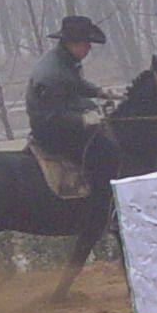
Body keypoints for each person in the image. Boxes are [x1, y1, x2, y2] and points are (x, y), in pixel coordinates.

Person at [25, 15, 122, 220]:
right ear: (72, 43)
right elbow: (52, 117)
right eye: (86, 44)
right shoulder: (53, 73)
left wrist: (99, 92)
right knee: (106, 153)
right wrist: (84, 120)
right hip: (52, 131)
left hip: (62, 117)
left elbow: (75, 84)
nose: (89, 49)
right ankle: (103, 206)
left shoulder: (65, 61)